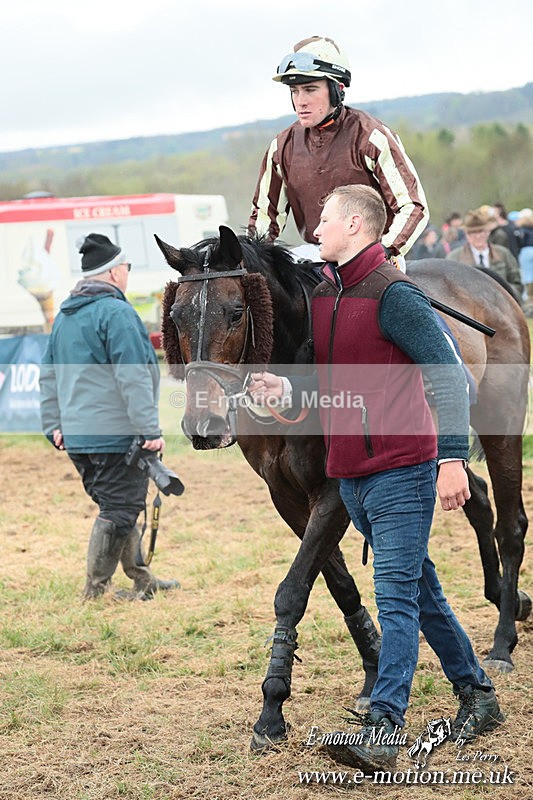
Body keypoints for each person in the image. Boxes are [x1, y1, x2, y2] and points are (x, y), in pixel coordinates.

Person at [248, 185, 504, 772]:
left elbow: (447, 373)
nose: (316, 233)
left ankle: (385, 725)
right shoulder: (325, 294)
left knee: (394, 598)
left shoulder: (396, 295)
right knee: (421, 591)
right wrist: (286, 389)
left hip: (404, 471)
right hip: (351, 474)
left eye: (327, 222)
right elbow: (331, 381)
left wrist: (450, 459)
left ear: (358, 226)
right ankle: (477, 694)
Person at [40, 233, 180, 601]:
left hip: (77, 437)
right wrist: (149, 428)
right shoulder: (116, 313)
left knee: (118, 506)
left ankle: (140, 577)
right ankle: (96, 590)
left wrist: (52, 424)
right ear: (115, 272)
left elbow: (48, 373)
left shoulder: (66, 316)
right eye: (127, 267)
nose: (128, 273)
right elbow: (132, 375)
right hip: (114, 435)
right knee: (119, 509)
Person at [247, 36, 428, 268]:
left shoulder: (371, 136)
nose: (300, 101)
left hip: (373, 259)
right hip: (315, 255)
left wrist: (384, 249)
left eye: (310, 90)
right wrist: (252, 259)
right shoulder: (282, 146)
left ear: (336, 90)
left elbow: (413, 206)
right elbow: (265, 217)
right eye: (295, 91)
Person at [447, 208, 523, 303]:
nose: (477, 236)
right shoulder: (454, 258)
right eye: (472, 232)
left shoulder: (503, 254)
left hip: (501, 308)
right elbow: (448, 290)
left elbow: (517, 284)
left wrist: (503, 296)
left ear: (488, 232)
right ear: (466, 234)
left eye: (481, 231)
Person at [515, 208, 533, 314]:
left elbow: (520, 242)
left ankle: (529, 302)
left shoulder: (521, 230)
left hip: (526, 252)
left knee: (526, 277)